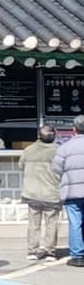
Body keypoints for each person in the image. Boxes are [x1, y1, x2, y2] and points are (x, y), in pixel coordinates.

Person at [20, 125, 61, 261]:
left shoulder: (28, 150)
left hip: (32, 193)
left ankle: (32, 251)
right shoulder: (58, 151)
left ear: (38, 136)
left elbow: (21, 167)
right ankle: (50, 252)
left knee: (33, 224)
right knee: (52, 223)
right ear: (54, 136)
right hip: (52, 193)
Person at [52, 115, 84, 268]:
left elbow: (56, 169)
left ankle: (77, 256)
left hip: (72, 191)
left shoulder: (64, 147)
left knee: (75, 223)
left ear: (73, 130)